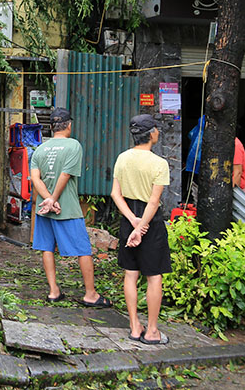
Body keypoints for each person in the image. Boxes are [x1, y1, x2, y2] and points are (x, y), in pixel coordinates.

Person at [30, 107, 112, 308]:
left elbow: (35, 178)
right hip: (65, 208)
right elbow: (65, 175)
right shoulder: (73, 146)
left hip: (44, 209)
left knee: (46, 248)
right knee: (83, 250)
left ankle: (53, 291)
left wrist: (47, 199)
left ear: (51, 127)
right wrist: (54, 199)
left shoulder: (40, 149)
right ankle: (90, 294)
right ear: (68, 125)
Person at [111, 114, 171, 345]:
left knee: (130, 274)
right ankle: (152, 331)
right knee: (154, 276)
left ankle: (135, 326)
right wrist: (143, 225)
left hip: (130, 219)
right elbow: (154, 202)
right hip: (150, 223)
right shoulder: (159, 163)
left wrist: (133, 222)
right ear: (151, 133)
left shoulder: (122, 158)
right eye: (156, 128)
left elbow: (116, 194)